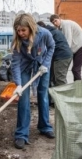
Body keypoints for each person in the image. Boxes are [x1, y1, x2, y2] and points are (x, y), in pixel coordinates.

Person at [11, 13, 55, 150]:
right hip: (25, 67)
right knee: (23, 98)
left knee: (43, 95)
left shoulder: (44, 33)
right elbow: (15, 64)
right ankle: (21, 134)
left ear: (31, 27)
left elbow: (51, 47)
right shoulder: (17, 41)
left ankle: (44, 126)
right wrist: (18, 84)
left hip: (41, 66)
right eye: (18, 30)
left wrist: (45, 65)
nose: (20, 33)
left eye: (23, 30)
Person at [49, 14, 82, 81]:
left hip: (81, 46)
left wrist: (64, 53)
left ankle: (79, 88)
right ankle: (76, 86)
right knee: (74, 70)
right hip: (75, 48)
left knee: (75, 69)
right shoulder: (59, 28)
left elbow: (68, 41)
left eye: (56, 21)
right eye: (53, 22)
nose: (55, 23)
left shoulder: (66, 24)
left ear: (59, 18)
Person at [37, 21, 72, 87]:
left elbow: (45, 49)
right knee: (57, 78)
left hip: (61, 56)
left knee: (60, 80)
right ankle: (55, 95)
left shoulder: (48, 33)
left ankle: (62, 96)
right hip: (66, 55)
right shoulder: (54, 30)